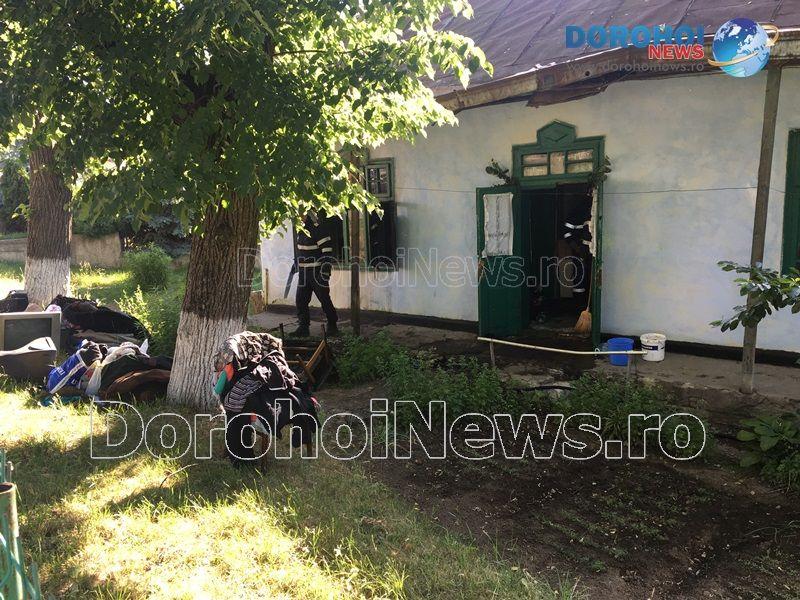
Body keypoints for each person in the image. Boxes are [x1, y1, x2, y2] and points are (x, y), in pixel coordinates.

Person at [292, 211, 339, 336]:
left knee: (324, 300)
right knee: (300, 301)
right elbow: (300, 251)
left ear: (306, 214)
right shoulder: (300, 230)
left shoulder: (318, 229)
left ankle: (332, 325)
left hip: (317, 272)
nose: (297, 217)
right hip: (303, 273)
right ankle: (303, 327)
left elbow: (327, 252)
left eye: (299, 214)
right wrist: (296, 263)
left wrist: (325, 273)